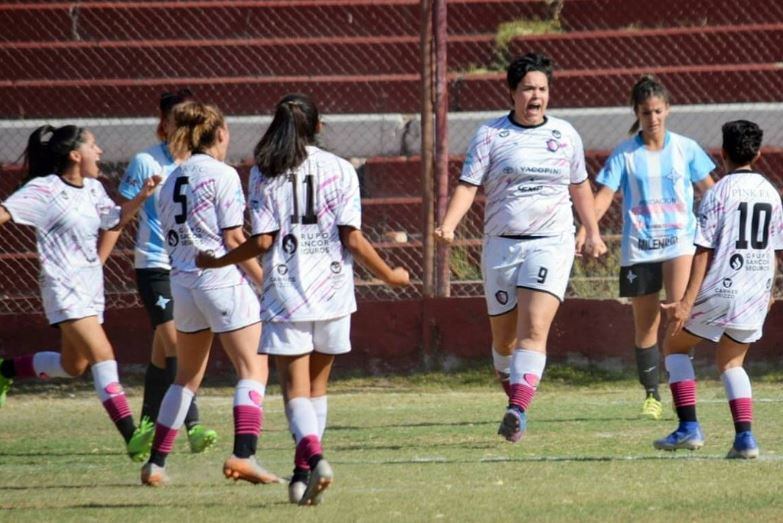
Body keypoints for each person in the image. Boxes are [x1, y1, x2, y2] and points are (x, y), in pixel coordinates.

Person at [196, 93, 410, 505]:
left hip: (286, 293)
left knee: (294, 391)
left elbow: (260, 241)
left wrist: (218, 260)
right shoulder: (342, 169)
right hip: (333, 293)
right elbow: (353, 237)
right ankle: (300, 476)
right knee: (317, 388)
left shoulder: (265, 171)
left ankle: (313, 458)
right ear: (318, 127)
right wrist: (390, 274)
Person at [433, 53, 607, 444]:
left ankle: (517, 408)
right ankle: (517, 403)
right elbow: (468, 185)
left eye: (543, 89)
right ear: (512, 92)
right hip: (501, 246)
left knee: (535, 329)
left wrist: (592, 231)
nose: (536, 96)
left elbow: (579, 186)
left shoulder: (565, 135)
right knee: (505, 342)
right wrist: (448, 224)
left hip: (551, 243)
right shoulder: (490, 135)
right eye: (528, 88)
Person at [0, 125, 160, 462]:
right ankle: (132, 435)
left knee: (73, 366)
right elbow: (4, 213)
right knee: (104, 354)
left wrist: (141, 198)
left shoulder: (93, 189)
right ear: (75, 154)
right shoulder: (44, 189)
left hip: (90, 289)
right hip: (63, 289)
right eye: (93, 145)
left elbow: (114, 222)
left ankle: (5, 371)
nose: (99, 151)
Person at [140, 101, 276, 487]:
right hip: (219, 281)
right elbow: (233, 238)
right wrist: (268, 284)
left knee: (184, 378)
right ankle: (244, 454)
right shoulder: (223, 175)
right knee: (253, 369)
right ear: (219, 134)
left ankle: (156, 463)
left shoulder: (170, 179)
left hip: (181, 283)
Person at [583, 75, 715, 420]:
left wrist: (722, 225)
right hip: (640, 248)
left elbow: (711, 192)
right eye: (645, 112)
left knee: (678, 316)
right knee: (646, 325)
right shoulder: (625, 154)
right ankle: (651, 394)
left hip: (679, 243)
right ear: (636, 113)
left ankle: (681, 390)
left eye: (657, 111)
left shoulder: (686, 149)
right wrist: (587, 229)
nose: (652, 118)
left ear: (668, 110)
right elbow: (603, 197)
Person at [654, 120, 782, 458]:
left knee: (675, 347)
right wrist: (772, 291)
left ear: (722, 153)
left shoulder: (718, 193)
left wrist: (685, 302)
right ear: (757, 152)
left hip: (719, 289)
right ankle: (745, 439)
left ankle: (688, 428)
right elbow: (776, 250)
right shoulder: (772, 193)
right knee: (732, 362)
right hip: (754, 292)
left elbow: (703, 251)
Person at [101, 89, 218, 454]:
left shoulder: (202, 163)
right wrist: (97, 263)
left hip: (189, 265)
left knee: (160, 352)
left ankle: (145, 429)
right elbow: (122, 215)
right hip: (155, 262)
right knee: (176, 344)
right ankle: (194, 424)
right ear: (164, 123)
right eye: (173, 117)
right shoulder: (145, 161)